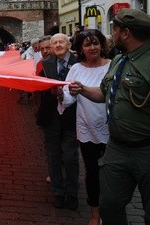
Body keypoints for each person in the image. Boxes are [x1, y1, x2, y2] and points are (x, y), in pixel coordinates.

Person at [69, 9, 150, 225]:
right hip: (117, 147)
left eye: (113, 29)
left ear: (125, 33)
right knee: (109, 204)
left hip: (146, 149)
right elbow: (104, 94)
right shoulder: (119, 61)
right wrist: (83, 88)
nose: (111, 35)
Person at [60, 30, 110, 225]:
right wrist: (60, 94)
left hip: (110, 128)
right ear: (81, 49)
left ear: (102, 45)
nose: (92, 48)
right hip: (87, 127)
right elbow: (68, 98)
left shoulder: (111, 66)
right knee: (92, 172)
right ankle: (94, 214)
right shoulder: (76, 69)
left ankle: (111, 209)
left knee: (111, 173)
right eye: (88, 45)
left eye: (96, 43)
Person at [36, 33, 79, 210]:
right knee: (53, 155)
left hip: (72, 116)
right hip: (51, 116)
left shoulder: (78, 63)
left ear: (68, 44)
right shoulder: (45, 64)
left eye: (61, 42)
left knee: (70, 156)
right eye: (54, 43)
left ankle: (73, 192)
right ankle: (58, 191)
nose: (58, 45)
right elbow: (37, 86)